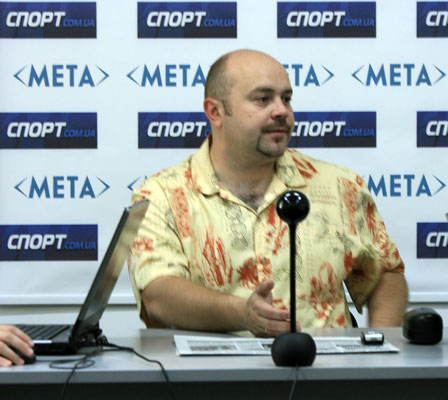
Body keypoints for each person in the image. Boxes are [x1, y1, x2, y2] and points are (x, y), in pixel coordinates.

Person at [128, 49, 408, 337]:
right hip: (210, 365)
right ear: (215, 112)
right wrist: (242, 314)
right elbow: (157, 294)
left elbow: (385, 273)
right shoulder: (161, 196)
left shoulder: (340, 186)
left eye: (286, 99)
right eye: (263, 99)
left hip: (324, 364)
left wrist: (381, 344)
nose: (281, 111)